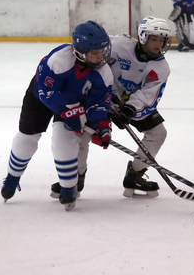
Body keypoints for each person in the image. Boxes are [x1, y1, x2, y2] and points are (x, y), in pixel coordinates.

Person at [50, 16, 171, 198]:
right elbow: (92, 52)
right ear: (143, 37)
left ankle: (135, 175)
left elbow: (149, 95)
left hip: (130, 104)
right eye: (154, 39)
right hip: (100, 96)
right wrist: (107, 98)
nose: (158, 45)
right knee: (83, 133)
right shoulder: (119, 45)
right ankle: (76, 177)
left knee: (158, 133)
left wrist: (130, 110)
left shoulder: (161, 68)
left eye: (162, 41)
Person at [1, 21, 113, 211]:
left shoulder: (103, 73)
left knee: (64, 139)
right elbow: (47, 93)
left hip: (75, 102)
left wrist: (102, 125)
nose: (99, 58)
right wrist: (67, 112)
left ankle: (69, 188)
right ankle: (12, 177)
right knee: (27, 138)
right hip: (41, 96)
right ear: (79, 50)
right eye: (94, 54)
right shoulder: (58, 60)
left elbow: (99, 103)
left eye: (102, 52)